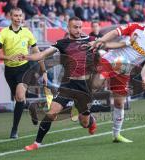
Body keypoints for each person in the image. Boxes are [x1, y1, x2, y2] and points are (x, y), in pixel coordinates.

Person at [21, 16, 97, 151]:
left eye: (80, 27)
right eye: (75, 27)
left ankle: (91, 120)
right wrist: (25, 56)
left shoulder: (90, 40)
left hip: (84, 86)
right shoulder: (62, 43)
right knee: (52, 112)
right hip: (67, 85)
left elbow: (107, 45)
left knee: (84, 123)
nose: (78, 30)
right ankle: (37, 143)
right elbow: (41, 55)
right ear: (68, 28)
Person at [90, 14, 145, 143]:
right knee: (96, 83)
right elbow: (114, 33)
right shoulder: (135, 27)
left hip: (124, 69)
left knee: (119, 102)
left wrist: (144, 78)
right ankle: (84, 112)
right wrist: (100, 40)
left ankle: (116, 134)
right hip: (110, 59)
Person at [0, 7, 47, 139]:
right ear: (10, 17)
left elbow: (37, 52)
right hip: (9, 71)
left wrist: (44, 71)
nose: (18, 18)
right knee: (20, 99)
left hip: (24, 69)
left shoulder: (28, 33)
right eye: (16, 16)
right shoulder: (3, 33)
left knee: (19, 96)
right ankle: (32, 108)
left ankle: (14, 130)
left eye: (20, 16)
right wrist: (8, 57)